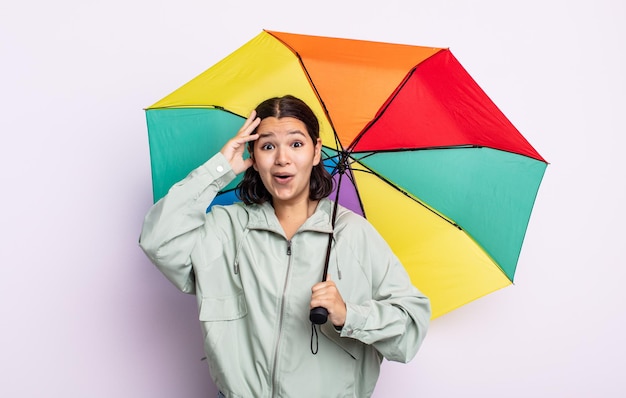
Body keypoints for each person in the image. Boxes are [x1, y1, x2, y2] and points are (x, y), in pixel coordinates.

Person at [139, 95, 431, 397]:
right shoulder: (226, 227)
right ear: (253, 154)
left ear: (316, 151)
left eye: (296, 144)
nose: (282, 159)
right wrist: (218, 170)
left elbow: (409, 331)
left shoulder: (354, 234)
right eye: (268, 146)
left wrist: (349, 314)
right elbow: (158, 239)